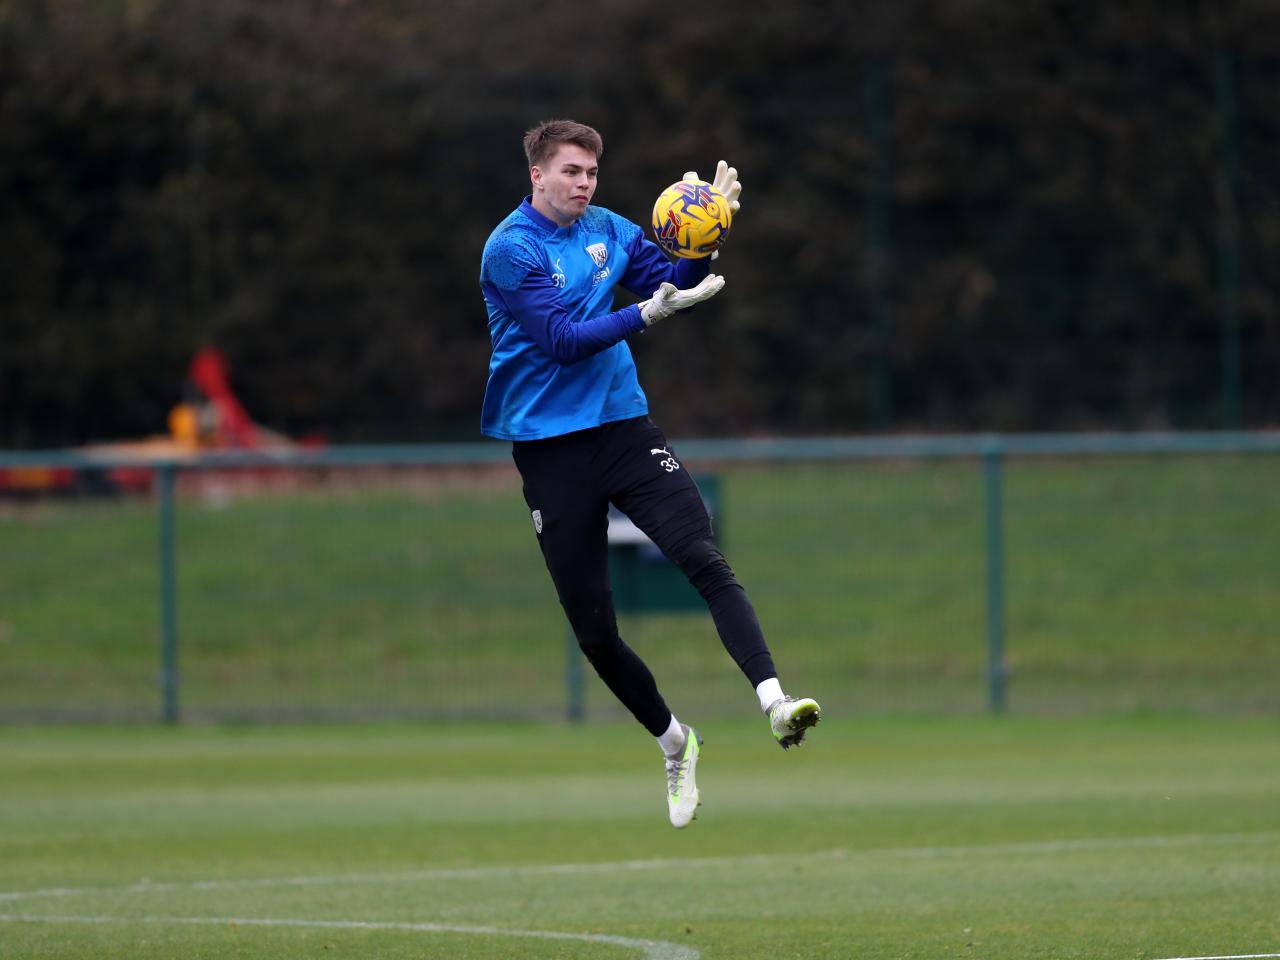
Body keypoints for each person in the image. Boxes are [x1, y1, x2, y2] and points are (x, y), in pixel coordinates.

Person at [479, 119, 820, 829]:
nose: (584, 184)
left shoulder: (609, 228)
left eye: (591, 172)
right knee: (596, 635)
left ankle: (776, 703)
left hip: (623, 429)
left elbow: (675, 282)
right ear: (537, 174)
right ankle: (674, 742)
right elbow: (561, 341)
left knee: (703, 556)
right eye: (570, 171)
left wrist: (707, 236)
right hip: (549, 450)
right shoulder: (510, 249)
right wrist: (644, 314)